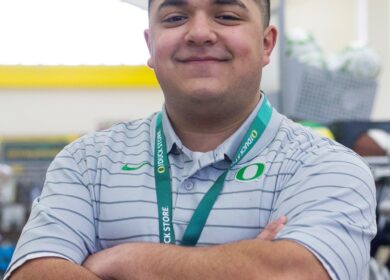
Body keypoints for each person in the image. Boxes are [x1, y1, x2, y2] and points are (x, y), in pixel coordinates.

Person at [5, 0, 376, 279]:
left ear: (266, 44)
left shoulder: (329, 166)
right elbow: (34, 274)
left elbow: (298, 274)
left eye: (227, 15)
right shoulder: (86, 162)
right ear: (151, 45)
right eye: (175, 17)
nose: (199, 33)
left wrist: (123, 261)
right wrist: (241, 266)